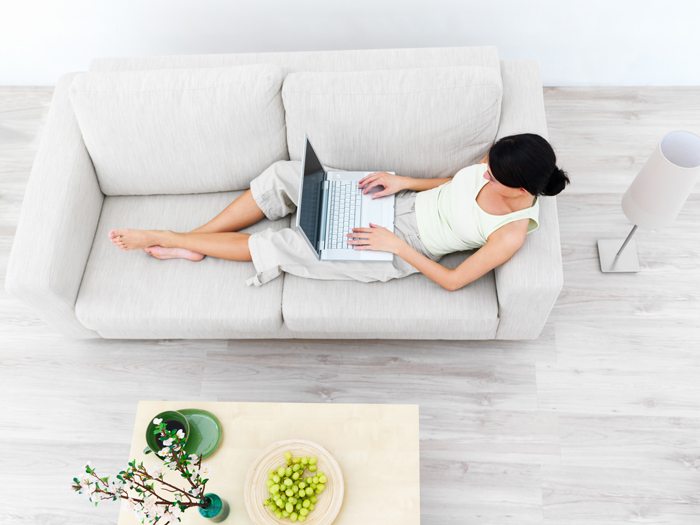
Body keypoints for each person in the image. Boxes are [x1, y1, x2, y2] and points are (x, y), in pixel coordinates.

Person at [109, 133, 570, 291]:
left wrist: (395, 245)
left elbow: (453, 280)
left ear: (520, 189)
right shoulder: (500, 164)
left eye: (492, 176)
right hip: (398, 201)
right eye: (486, 167)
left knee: (287, 244)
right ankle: (196, 240)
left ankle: (171, 238)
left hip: (403, 248)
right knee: (286, 174)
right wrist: (406, 182)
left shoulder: (511, 232)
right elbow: (455, 183)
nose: (483, 173)